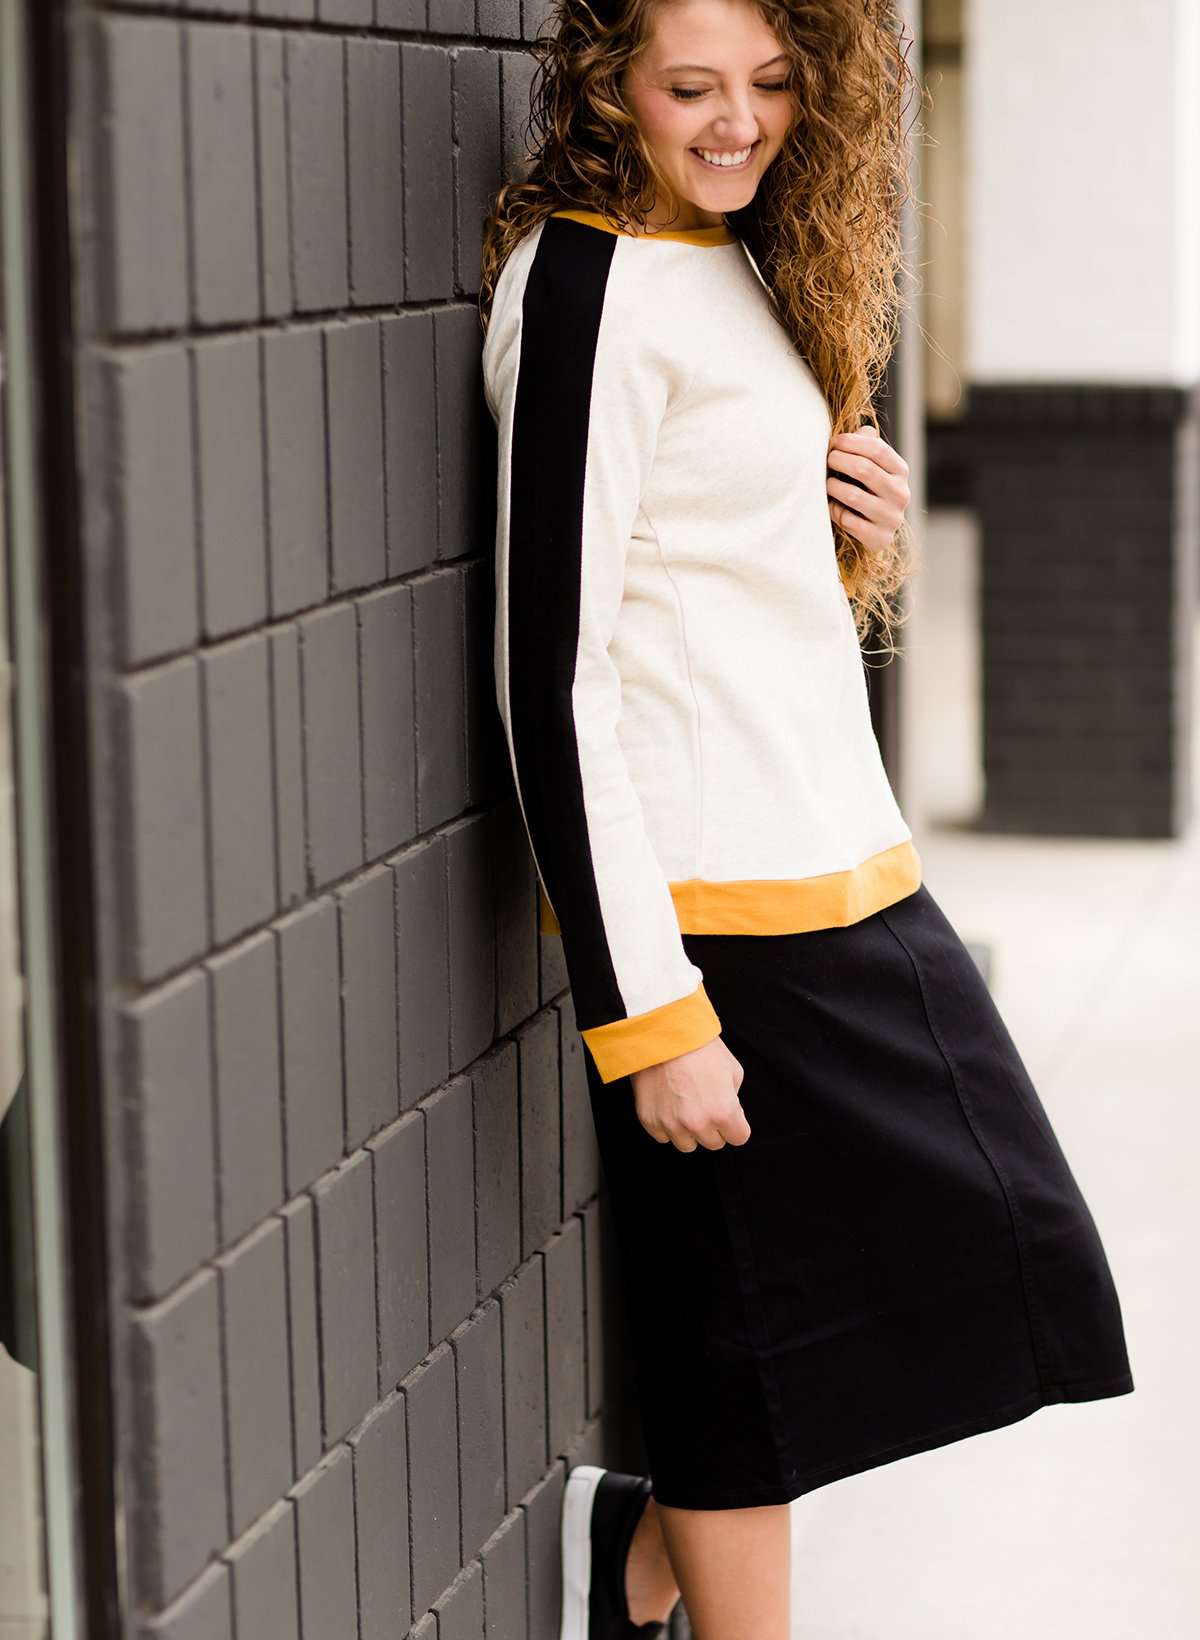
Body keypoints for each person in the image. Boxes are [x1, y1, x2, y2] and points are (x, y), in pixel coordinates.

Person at [477, 0, 1136, 1635]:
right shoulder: (583, 288)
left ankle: (634, 1568)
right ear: (606, 85)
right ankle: (659, 1588)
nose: (734, 123)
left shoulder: (741, 262)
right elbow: (550, 675)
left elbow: (707, 580)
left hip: (842, 862)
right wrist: (648, 1017)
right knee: (742, 1348)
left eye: (772, 86)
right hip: (708, 916)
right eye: (690, 86)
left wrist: (856, 542)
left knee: (1006, 1256)